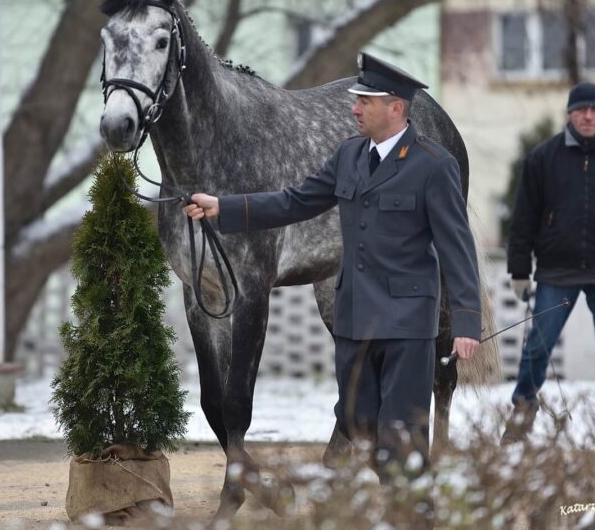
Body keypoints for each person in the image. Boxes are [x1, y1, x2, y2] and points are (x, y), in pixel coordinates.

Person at [184, 52, 482, 478]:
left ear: (396, 107)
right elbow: (294, 201)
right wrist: (222, 208)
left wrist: (468, 322)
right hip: (355, 320)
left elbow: (457, 247)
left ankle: (412, 514)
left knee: (400, 442)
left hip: (406, 326)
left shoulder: (434, 165)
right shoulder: (349, 157)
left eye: (365, 101)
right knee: (356, 422)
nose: (354, 108)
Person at [502, 81, 595, 452]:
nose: (588, 115)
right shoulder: (543, 158)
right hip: (557, 272)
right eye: (581, 109)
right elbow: (523, 218)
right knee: (536, 349)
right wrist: (519, 270)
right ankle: (520, 423)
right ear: (569, 113)